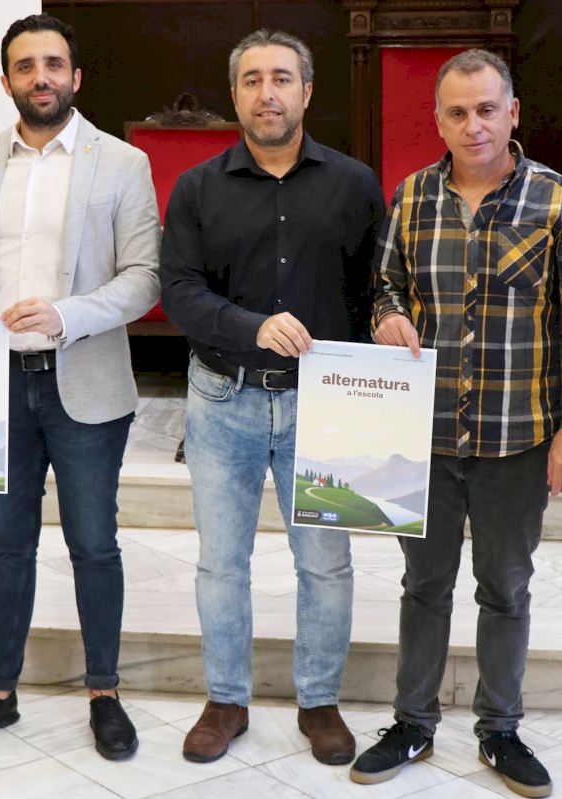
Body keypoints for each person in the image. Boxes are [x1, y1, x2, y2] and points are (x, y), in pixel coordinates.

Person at [348, 50, 562, 797]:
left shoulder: (557, 200)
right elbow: (383, 282)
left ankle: (500, 729)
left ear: (512, 112)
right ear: (438, 120)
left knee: (505, 589)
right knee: (423, 587)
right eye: (458, 113)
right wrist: (387, 313)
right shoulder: (413, 196)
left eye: (487, 110)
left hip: (516, 438)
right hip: (422, 436)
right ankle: (412, 723)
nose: (474, 126)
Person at [0, 14, 160, 761]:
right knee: (6, 544)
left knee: (93, 544)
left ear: (76, 77)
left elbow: (144, 279)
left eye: (54, 64)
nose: (41, 77)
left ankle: (104, 694)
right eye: (25, 66)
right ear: (6, 82)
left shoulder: (121, 162)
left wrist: (68, 315)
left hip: (85, 384)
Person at [160, 29, 385, 766]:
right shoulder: (197, 188)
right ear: (235, 95)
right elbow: (179, 292)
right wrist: (252, 327)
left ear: (307, 92)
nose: (268, 93)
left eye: (282, 78)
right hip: (222, 398)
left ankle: (319, 701)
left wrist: (389, 321)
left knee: (325, 563)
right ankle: (226, 699)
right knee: (221, 562)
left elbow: (376, 287)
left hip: (323, 405)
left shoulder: (354, 184)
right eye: (252, 80)